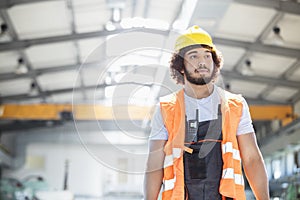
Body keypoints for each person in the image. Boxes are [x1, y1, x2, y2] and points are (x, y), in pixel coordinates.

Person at [144, 25, 270, 200]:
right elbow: (154, 164)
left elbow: (252, 159)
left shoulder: (236, 105)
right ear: (180, 66)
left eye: (207, 56)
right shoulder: (166, 108)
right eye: (193, 56)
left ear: (214, 62)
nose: (202, 61)